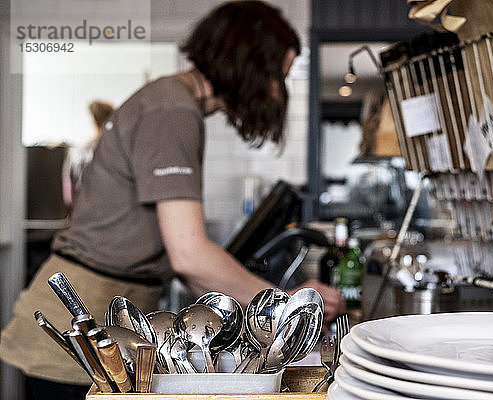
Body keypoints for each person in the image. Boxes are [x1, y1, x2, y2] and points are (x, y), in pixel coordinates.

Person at [0, 2, 345, 399]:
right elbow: (190, 256)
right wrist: (286, 309)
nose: (275, 92)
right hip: (83, 322)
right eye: (276, 76)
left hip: (102, 316)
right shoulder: (172, 110)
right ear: (249, 60)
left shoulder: (172, 103)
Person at [62, 100, 114, 207]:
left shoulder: (76, 152)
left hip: (83, 213)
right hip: (110, 212)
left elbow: (68, 197)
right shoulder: (117, 152)